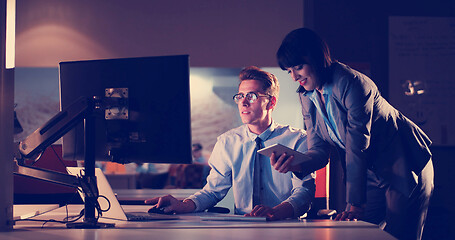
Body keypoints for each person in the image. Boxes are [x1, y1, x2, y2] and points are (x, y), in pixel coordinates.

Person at [275, 28, 434, 240]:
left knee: (398, 236)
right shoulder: (307, 95)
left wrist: (355, 203)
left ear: (316, 58)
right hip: (369, 170)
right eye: (289, 71)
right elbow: (319, 151)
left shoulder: (352, 83)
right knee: (359, 233)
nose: (294, 77)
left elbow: (357, 144)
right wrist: (298, 164)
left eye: (298, 67)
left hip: (403, 164)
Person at [145, 66, 315, 220]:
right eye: (240, 96)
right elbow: (212, 191)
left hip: (286, 226)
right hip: (242, 227)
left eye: (251, 96)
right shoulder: (227, 142)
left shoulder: (297, 140)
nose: (243, 102)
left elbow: (304, 192)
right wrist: (182, 205)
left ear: (271, 102)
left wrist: (276, 212)